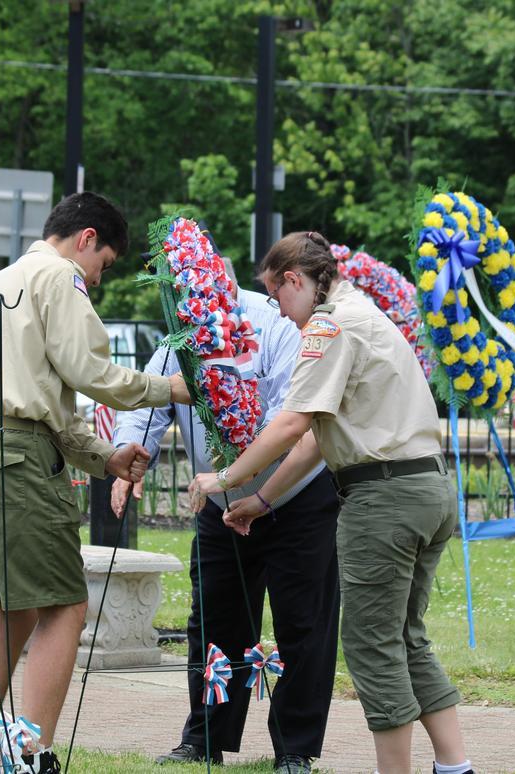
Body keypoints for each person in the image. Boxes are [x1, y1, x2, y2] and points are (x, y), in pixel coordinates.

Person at [191, 231, 473, 774]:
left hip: (383, 499)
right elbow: (321, 435)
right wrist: (263, 500)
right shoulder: (365, 312)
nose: (279, 312)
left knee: (372, 645)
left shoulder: (328, 324)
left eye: (277, 298)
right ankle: (455, 767)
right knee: (407, 637)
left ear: (295, 280)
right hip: (428, 488)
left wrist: (223, 476)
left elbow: (293, 423)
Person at [0, 192, 192, 774]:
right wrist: (169, 389)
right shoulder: (61, 277)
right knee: (65, 606)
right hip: (18, 455)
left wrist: (105, 456)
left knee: (15, 609)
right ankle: (32, 755)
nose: (99, 279)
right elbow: (89, 372)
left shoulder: (4, 280)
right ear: (86, 239)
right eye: (104, 263)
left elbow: (45, 398)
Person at [110, 265, 340, 774]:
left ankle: (295, 749)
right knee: (215, 621)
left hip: (294, 496)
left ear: (223, 283)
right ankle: (205, 737)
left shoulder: (275, 324)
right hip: (218, 504)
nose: (186, 307)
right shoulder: (181, 336)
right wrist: (131, 457)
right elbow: (151, 400)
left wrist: (254, 489)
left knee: (304, 623)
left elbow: (289, 421)